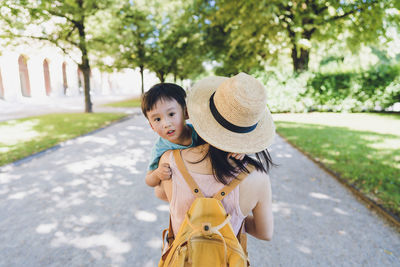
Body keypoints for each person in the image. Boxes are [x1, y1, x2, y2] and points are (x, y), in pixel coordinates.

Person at [158, 72, 276, 245]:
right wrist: (230, 219)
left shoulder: (170, 161)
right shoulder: (258, 177)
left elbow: (162, 194)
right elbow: (265, 232)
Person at [141, 83, 244, 201]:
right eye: (157, 119)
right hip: (184, 196)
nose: (166, 124)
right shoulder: (160, 148)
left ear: (186, 113)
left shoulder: (200, 132)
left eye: (171, 114)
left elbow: (221, 143)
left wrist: (237, 150)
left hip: (211, 189)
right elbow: (149, 180)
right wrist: (157, 174)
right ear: (151, 126)